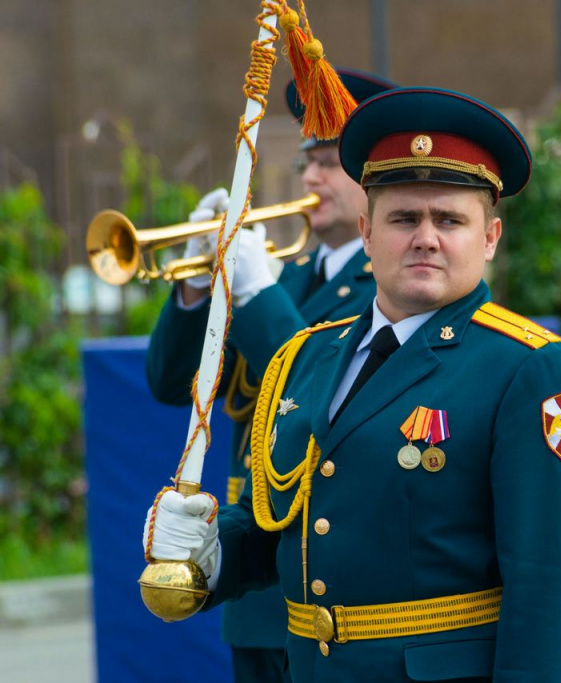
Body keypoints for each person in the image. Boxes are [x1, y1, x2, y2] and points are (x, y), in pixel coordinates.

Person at [144, 86, 561, 682]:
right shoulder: (307, 354)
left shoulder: (531, 370)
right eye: (403, 218)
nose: (425, 237)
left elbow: (555, 592)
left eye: (450, 219)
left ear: (489, 239)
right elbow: (279, 522)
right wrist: (209, 550)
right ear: (366, 230)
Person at [146, 69, 395, 682]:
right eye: (307, 163)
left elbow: (317, 385)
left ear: (375, 175)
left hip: (329, 581)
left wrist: (252, 291)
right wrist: (194, 284)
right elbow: (172, 383)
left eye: (330, 163)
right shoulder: (290, 278)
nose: (310, 178)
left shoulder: (388, 290)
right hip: (254, 578)